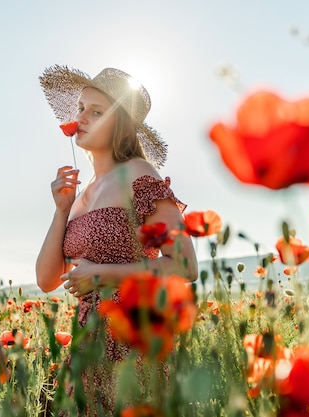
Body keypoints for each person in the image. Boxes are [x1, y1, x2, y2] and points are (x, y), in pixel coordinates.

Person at [36, 65, 198, 415]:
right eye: (80, 108)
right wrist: (61, 210)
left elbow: (186, 265)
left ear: (120, 123)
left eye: (96, 112)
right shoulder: (79, 195)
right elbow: (47, 280)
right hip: (86, 347)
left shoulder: (140, 174)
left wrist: (104, 275)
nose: (82, 117)